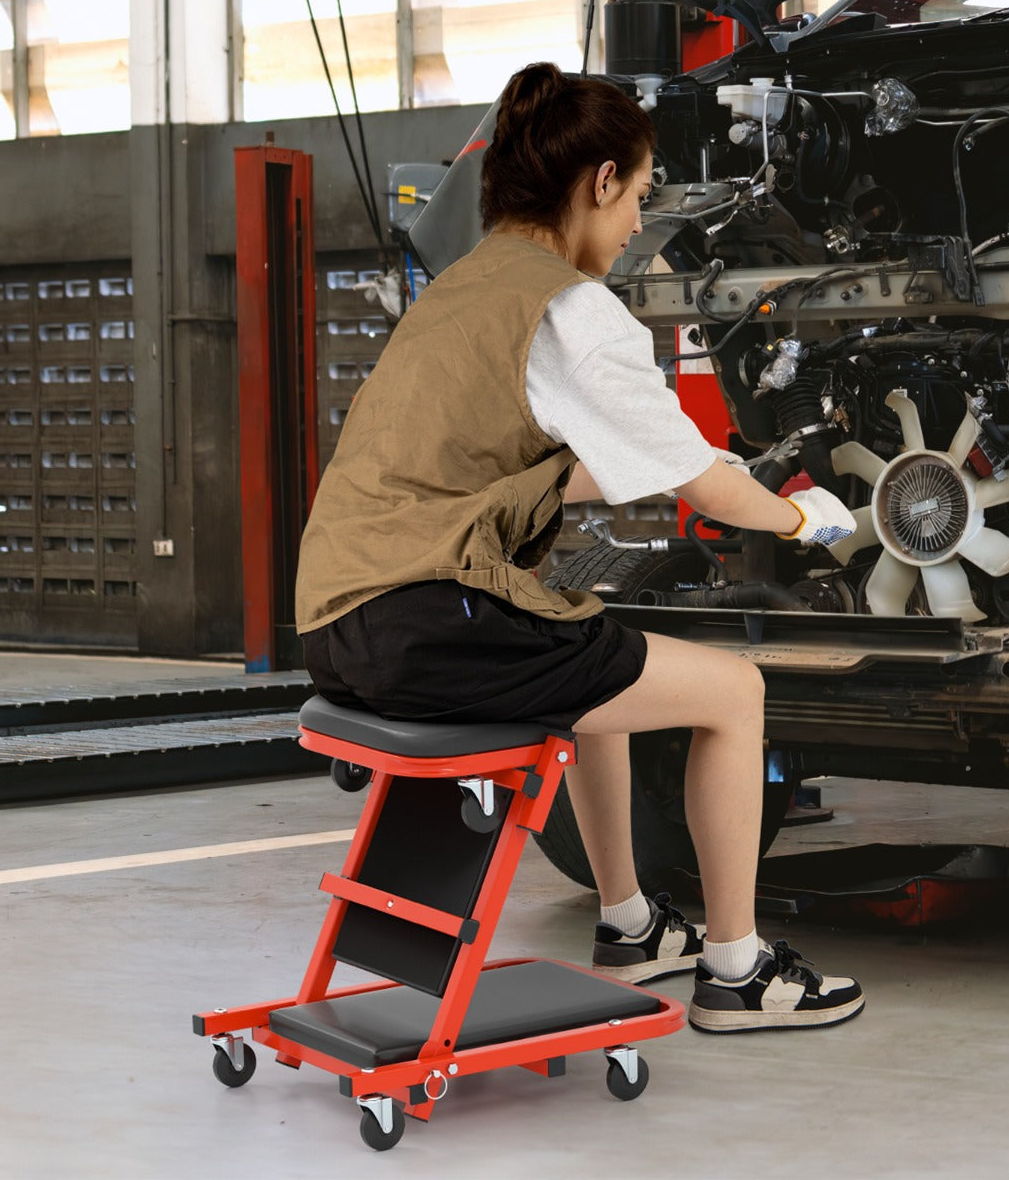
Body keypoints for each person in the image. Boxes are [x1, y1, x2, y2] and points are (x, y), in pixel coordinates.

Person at [295, 62, 864, 1033]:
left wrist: (703, 466)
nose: (639, 221)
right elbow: (706, 494)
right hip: (430, 621)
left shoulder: (463, 290)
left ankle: (630, 923)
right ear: (600, 182)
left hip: (341, 624)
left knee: (592, 653)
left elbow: (541, 474)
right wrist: (804, 518)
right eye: (638, 194)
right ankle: (737, 971)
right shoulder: (571, 306)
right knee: (736, 692)